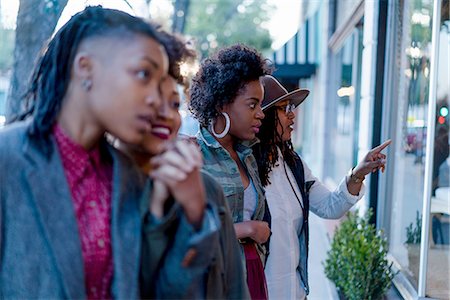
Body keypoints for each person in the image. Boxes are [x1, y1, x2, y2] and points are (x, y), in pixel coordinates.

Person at [0, 6, 214, 298]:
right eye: (143, 74)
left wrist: (193, 210)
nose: (155, 98)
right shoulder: (8, 160)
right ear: (85, 68)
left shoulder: (128, 177)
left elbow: (165, 292)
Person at [117, 30, 249, 299]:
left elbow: (233, 287)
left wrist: (195, 208)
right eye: (151, 100)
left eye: (174, 103)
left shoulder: (206, 189)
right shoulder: (106, 191)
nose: (166, 115)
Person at [252, 75, 391, 300]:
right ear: (264, 116)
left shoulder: (293, 164)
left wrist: (358, 173)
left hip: (296, 293)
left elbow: (329, 207)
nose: (292, 114)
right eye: (283, 108)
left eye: (292, 107)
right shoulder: (244, 169)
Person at [189, 44, 272, 300]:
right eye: (252, 105)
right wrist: (245, 229)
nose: (261, 114)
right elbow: (184, 235)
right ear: (223, 103)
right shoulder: (192, 156)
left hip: (252, 272)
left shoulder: (248, 156)